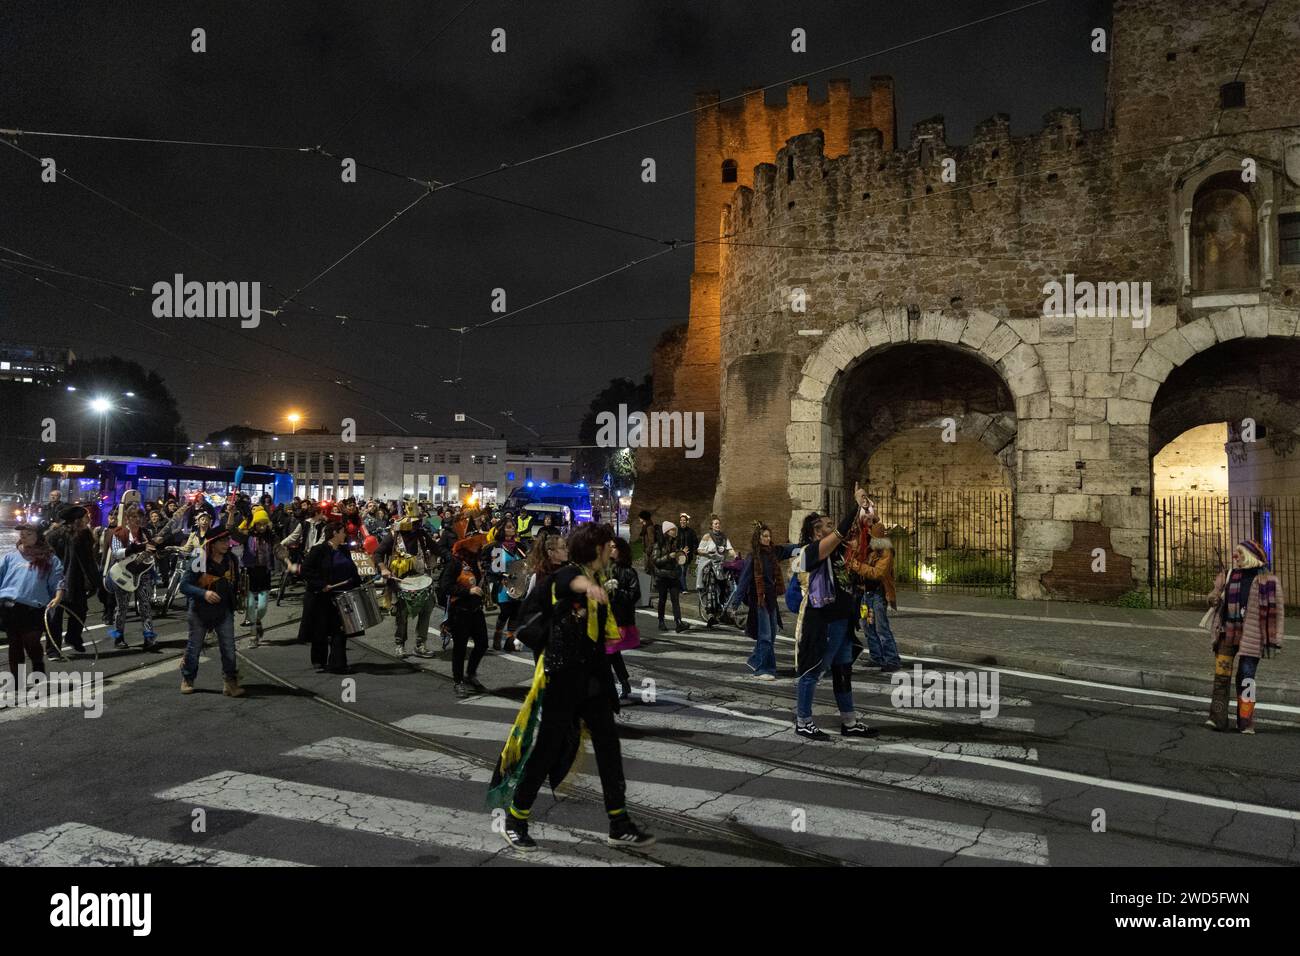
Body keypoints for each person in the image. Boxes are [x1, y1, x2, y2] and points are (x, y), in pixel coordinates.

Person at [491, 523, 655, 851]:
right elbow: (568, 582)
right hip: (561, 678)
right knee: (547, 749)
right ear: (595, 549)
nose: (613, 548)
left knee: (609, 746)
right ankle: (515, 817)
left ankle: (618, 822)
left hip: (591, 680)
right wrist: (587, 587)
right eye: (608, 544)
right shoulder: (566, 577)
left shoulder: (597, 579)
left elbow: (599, 637)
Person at [790, 487, 878, 741]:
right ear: (818, 532)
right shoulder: (811, 552)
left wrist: (866, 508)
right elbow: (842, 530)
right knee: (813, 670)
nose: (832, 527)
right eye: (827, 525)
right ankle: (803, 720)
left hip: (841, 619)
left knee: (842, 670)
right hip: (821, 621)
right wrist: (855, 503)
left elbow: (859, 531)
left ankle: (849, 722)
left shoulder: (838, 552)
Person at [1205, 540, 1284, 734]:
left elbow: (1277, 613)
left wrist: (1274, 640)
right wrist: (1215, 594)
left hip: (1252, 637)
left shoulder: (1268, 580)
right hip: (1227, 633)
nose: (1235, 556)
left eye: (1239, 553)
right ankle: (1217, 719)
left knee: (1247, 679)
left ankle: (1246, 723)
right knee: (1221, 676)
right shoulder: (1230, 575)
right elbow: (1213, 597)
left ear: (1250, 556)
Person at [178, 529, 246, 697]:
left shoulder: (231, 560)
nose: (227, 544)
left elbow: (235, 583)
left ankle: (230, 682)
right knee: (194, 648)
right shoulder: (199, 558)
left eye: (227, 540)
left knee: (229, 648)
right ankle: (188, 678)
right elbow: (184, 586)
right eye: (222, 541)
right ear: (212, 543)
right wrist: (204, 594)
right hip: (199, 611)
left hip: (224, 611)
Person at [730, 522, 796, 680]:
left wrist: (807, 545)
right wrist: (734, 603)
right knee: (765, 636)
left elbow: (788, 549)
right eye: (764, 536)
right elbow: (744, 581)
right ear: (758, 538)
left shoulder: (773, 553)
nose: (768, 538)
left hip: (771, 599)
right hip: (760, 601)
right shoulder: (753, 557)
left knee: (772, 635)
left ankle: (755, 660)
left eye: (769, 536)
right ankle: (763, 669)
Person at [0, 523, 64, 678]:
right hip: (10, 607)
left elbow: (58, 581)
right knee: (15, 645)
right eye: (22, 533)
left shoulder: (49, 559)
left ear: (38, 537)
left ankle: (38, 670)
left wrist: (58, 596)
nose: (23, 536)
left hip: (34, 609)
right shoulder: (10, 557)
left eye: (28, 533)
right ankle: (17, 681)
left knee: (32, 642)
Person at [301, 520, 363, 674]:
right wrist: (322, 584)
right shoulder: (318, 550)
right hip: (321, 597)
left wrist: (357, 581)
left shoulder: (344, 550)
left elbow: (351, 569)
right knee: (320, 630)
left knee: (340, 630)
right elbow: (306, 570)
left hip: (341, 596)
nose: (345, 535)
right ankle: (319, 661)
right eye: (343, 532)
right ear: (335, 533)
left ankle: (338, 664)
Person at [377, 505, 437, 657]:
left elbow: (437, 549)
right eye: (415, 523)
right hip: (401, 582)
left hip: (422, 578)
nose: (418, 525)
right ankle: (400, 644)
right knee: (402, 615)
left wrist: (440, 559)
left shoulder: (422, 535)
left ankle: (420, 644)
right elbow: (377, 553)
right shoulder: (393, 535)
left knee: (426, 610)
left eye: (419, 523)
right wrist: (384, 568)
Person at [441, 538, 490, 696]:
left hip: (475, 610)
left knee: (482, 644)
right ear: (467, 546)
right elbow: (445, 586)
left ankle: (471, 674)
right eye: (476, 545)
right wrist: (468, 591)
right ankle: (458, 681)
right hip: (460, 611)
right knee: (460, 649)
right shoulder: (455, 563)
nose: (479, 547)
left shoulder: (476, 562)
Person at [108, 506, 159, 650]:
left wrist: (157, 549)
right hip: (124, 573)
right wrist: (137, 548)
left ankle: (149, 638)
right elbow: (116, 553)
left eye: (140, 517)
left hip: (144, 573)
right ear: (127, 519)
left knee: (145, 606)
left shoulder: (146, 533)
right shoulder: (119, 533)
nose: (137, 520)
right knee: (122, 607)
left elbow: (153, 553)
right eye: (134, 517)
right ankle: (118, 638)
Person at [48, 506, 96, 655]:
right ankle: (56, 648)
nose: (88, 519)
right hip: (64, 579)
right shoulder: (60, 535)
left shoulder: (83, 534)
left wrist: (94, 579)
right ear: (77, 520)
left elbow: (89, 560)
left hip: (70, 580)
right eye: (85, 517)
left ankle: (69, 640)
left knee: (76, 611)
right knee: (57, 615)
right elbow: (88, 561)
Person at [234, 506, 280, 647]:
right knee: (249, 605)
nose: (262, 526)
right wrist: (232, 514)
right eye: (259, 523)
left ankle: (257, 621)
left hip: (264, 574)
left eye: (264, 523)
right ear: (254, 523)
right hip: (248, 574)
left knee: (262, 606)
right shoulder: (247, 535)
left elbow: (279, 549)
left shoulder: (271, 536)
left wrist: (288, 562)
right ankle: (254, 636)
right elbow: (232, 532)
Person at [605, 536, 641, 700]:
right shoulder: (605, 568)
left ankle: (611, 688)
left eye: (613, 546)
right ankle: (623, 684)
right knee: (611, 654)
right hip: (605, 618)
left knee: (608, 654)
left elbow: (635, 595)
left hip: (619, 620)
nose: (610, 549)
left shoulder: (628, 571)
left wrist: (617, 591)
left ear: (620, 550)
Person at [488, 519, 527, 651]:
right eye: (509, 527)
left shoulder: (519, 546)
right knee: (505, 612)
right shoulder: (497, 546)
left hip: (518, 585)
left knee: (516, 613)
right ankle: (497, 635)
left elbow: (524, 563)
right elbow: (495, 568)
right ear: (502, 530)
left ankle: (510, 640)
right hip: (503, 585)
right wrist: (504, 576)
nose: (512, 529)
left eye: (513, 527)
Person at [650, 521, 691, 633]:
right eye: (673, 530)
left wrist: (682, 555)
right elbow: (655, 560)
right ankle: (661, 621)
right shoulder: (658, 544)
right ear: (667, 531)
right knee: (662, 600)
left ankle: (678, 622)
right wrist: (669, 556)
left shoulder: (676, 543)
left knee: (675, 600)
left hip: (674, 576)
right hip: (662, 576)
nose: (675, 531)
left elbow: (678, 560)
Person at [695, 514, 736, 591]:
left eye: (719, 524)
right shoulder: (707, 536)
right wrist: (707, 552)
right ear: (712, 526)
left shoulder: (724, 537)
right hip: (708, 561)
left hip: (719, 562)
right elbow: (699, 550)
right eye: (715, 524)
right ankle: (701, 585)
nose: (718, 525)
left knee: (724, 580)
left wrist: (736, 556)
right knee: (704, 571)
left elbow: (730, 549)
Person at [676, 512, 699, 592]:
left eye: (684, 520)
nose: (683, 522)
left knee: (684, 572)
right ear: (679, 521)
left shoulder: (691, 531)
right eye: (681, 520)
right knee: (681, 571)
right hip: (679, 554)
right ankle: (684, 588)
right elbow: (674, 542)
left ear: (687, 521)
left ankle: (679, 587)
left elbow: (695, 542)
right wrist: (680, 550)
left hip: (688, 555)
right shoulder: (677, 531)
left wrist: (695, 550)